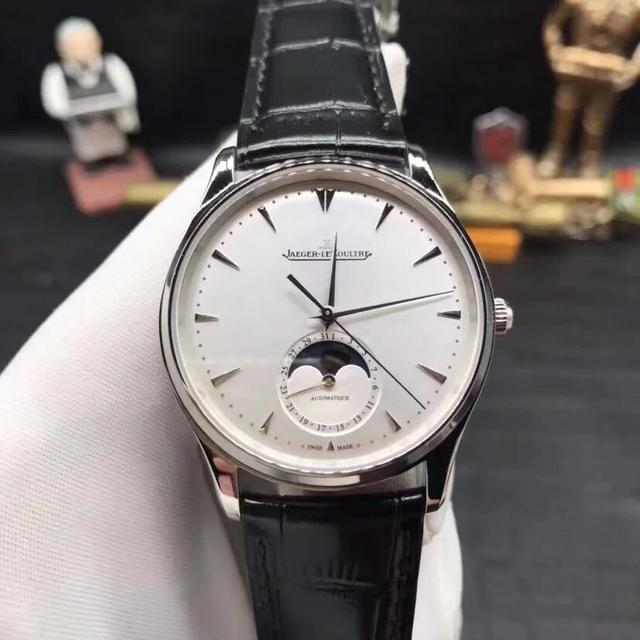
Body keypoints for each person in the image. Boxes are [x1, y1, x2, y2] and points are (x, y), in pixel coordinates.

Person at [41, 18, 140, 168]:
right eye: (75, 46)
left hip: (111, 118)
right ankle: (92, 161)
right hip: (83, 123)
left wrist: (119, 107)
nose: (83, 49)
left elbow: (128, 92)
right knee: (88, 143)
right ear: (61, 48)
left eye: (88, 43)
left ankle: (119, 155)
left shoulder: (111, 64)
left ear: (98, 41)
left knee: (115, 140)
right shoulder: (57, 73)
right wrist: (75, 110)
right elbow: (55, 105)